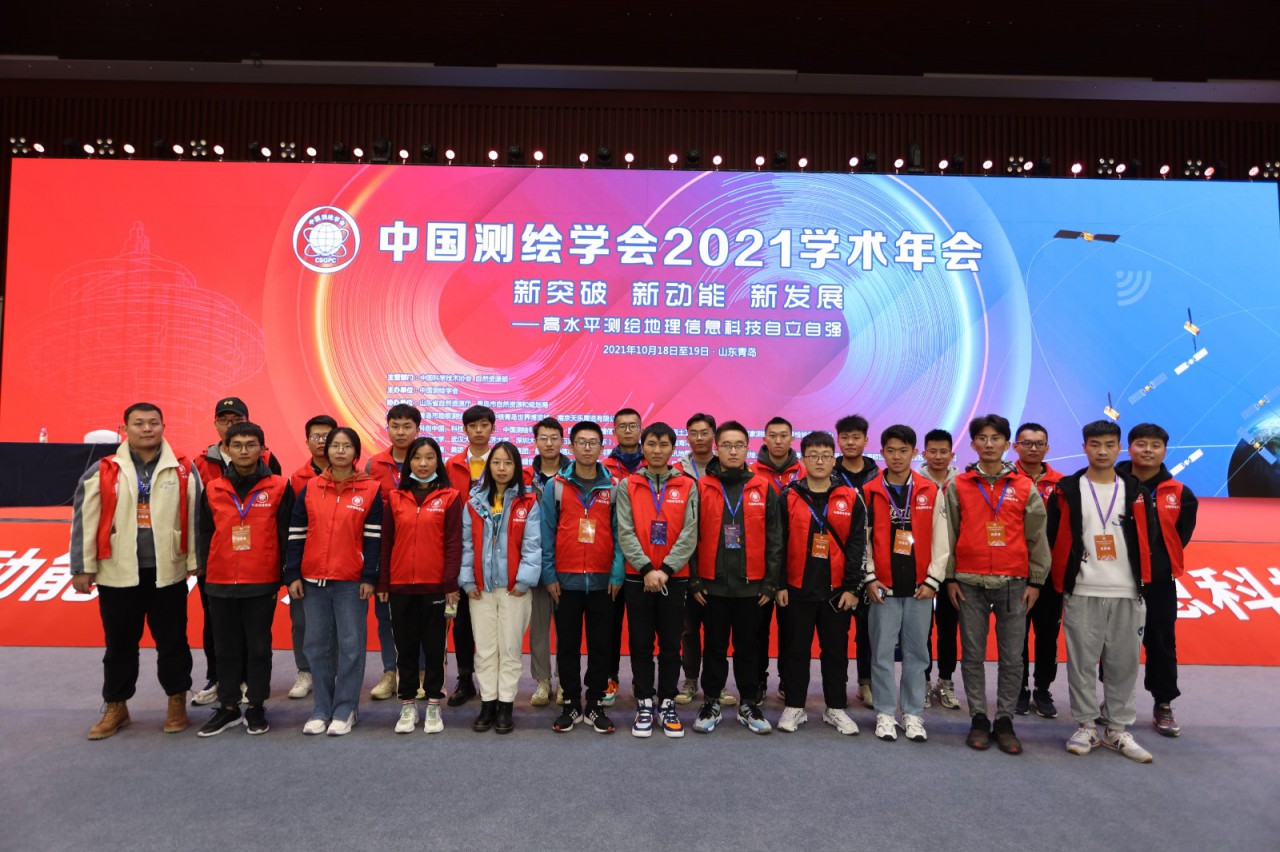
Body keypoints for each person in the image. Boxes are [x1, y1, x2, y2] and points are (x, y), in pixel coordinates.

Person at [70, 402, 200, 739]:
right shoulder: (103, 469)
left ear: (163, 427)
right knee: (119, 644)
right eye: (139, 423)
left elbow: (195, 517)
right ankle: (116, 705)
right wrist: (82, 567)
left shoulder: (183, 468)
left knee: (173, 641)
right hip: (117, 573)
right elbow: (85, 519)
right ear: (125, 428)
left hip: (166, 573)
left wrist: (195, 561)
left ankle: (176, 700)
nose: (146, 429)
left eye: (153, 423)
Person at [930, 414, 1050, 755]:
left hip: (1014, 583)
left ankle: (1005, 720)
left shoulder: (1024, 487)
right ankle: (979, 718)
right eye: (982, 438)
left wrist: (1036, 580)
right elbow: (949, 534)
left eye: (996, 438)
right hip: (968, 583)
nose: (988, 444)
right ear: (972, 444)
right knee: (972, 655)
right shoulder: (959, 485)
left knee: (1012, 657)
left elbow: (1037, 536)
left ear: (1007, 444)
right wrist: (949, 577)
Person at [1047, 419, 1155, 763]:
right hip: (1082, 589)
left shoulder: (1137, 492)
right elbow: (1052, 536)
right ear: (1084, 447)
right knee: (1081, 663)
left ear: (1119, 448)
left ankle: (1118, 729)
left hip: (1127, 590)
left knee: (1123, 664)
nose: (1102, 451)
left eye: (1109, 444)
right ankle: (1086, 726)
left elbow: (1150, 539)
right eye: (1095, 444)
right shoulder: (1066, 490)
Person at [283, 427, 382, 736]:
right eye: (335, 445)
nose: (340, 451)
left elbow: (374, 539)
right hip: (313, 580)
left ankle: (345, 709)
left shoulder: (371, 489)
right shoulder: (311, 488)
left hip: (351, 581)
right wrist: (292, 573)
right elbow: (296, 533)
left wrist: (369, 576)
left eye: (347, 446)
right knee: (316, 646)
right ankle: (321, 709)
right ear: (326, 451)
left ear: (356, 453)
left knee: (351, 646)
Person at [195, 422, 292, 736]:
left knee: (259, 648)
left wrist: (285, 573)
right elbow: (204, 533)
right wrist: (204, 568)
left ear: (262, 449)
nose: (244, 451)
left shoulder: (279, 486)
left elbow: (286, 534)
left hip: (261, 579)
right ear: (226, 449)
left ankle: (256, 706)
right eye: (237, 445)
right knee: (225, 648)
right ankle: (228, 707)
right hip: (220, 580)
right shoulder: (213, 488)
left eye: (251, 445)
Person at [688, 420, 781, 735]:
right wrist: (695, 579)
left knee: (748, 648)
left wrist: (770, 582)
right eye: (726, 445)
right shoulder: (702, 486)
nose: (732, 451)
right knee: (713, 647)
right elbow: (690, 536)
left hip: (752, 587)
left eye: (738, 445)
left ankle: (748, 703)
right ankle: (711, 701)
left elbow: (775, 538)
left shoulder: (763, 487)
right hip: (711, 586)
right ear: (716, 448)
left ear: (747, 449)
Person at [774, 430, 866, 736]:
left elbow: (857, 545)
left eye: (826, 456)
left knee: (835, 652)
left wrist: (852, 588)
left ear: (833, 459)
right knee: (796, 650)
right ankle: (795, 706)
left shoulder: (849, 497)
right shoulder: (789, 496)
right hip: (797, 589)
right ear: (803, 459)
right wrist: (779, 584)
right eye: (813, 456)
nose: (819, 461)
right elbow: (777, 543)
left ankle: (835, 707)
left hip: (837, 592)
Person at [615, 421, 698, 738]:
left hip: (674, 578)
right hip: (638, 577)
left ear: (673, 448)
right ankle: (645, 702)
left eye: (664, 444)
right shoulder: (629, 485)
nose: (657, 450)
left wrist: (666, 570)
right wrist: (647, 569)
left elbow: (690, 532)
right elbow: (625, 530)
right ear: (643, 447)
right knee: (640, 643)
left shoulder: (687, 485)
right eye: (651, 444)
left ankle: (667, 702)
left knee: (670, 644)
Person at [862, 425, 943, 743]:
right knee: (881, 653)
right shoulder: (869, 492)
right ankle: (884, 713)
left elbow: (942, 540)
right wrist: (869, 577)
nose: (897, 456)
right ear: (882, 452)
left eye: (903, 451)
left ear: (914, 453)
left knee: (917, 655)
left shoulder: (930, 491)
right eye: (891, 450)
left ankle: (912, 713)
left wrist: (933, 580)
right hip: (883, 588)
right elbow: (863, 541)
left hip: (920, 588)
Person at [541, 420, 623, 734]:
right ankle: (571, 704)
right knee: (568, 646)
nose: (587, 448)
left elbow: (620, 533)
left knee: (601, 645)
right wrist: (549, 573)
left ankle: (595, 704)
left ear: (602, 447)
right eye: (581, 442)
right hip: (566, 581)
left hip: (603, 581)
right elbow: (546, 533)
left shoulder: (614, 486)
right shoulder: (556, 486)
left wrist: (616, 572)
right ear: (572, 446)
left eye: (593, 442)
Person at [1117, 422, 1198, 737]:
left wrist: (1158, 564)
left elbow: (1180, 537)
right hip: (1116, 579)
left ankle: (1163, 703)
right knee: (1116, 643)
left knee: (1162, 642)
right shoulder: (1112, 485)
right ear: (1129, 448)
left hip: (1160, 582)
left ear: (1164, 451)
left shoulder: (1180, 493)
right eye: (1141, 444)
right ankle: (1114, 701)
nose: (1148, 450)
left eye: (1155, 445)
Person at [378, 436, 462, 735]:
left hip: (436, 587)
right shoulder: (396, 498)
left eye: (429, 457)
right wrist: (384, 581)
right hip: (400, 586)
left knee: (435, 648)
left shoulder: (450, 497)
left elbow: (453, 544)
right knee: (406, 649)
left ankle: (434, 704)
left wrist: (450, 583)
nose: (423, 464)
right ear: (409, 462)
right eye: (417, 458)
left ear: (438, 461)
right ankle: (408, 704)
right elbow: (386, 543)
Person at [459, 441, 542, 734]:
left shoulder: (528, 502)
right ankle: (488, 703)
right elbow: (466, 545)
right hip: (480, 590)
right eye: (496, 462)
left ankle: (505, 705)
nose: (502, 468)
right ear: (488, 466)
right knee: (485, 650)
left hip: (514, 589)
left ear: (516, 467)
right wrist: (467, 581)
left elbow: (533, 546)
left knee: (509, 649)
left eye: (508, 463)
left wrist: (524, 580)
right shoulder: (473, 503)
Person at [674, 413, 737, 708]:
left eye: (705, 432)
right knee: (688, 629)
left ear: (714, 436)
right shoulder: (677, 472)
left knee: (717, 630)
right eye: (693, 433)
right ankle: (689, 680)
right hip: (685, 558)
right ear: (687, 436)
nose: (699, 438)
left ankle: (717, 683)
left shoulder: (726, 469)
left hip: (718, 559)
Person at [364, 404, 423, 702]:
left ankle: (421, 673)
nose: (401, 432)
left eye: (407, 426)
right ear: (387, 428)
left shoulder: (427, 462)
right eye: (395, 426)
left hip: (421, 551)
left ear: (417, 430)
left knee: (421, 615)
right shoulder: (373, 465)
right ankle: (390, 671)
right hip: (384, 551)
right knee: (385, 614)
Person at [442, 404, 496, 707]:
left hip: (495, 555)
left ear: (492, 428)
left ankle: (494, 680)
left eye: (484, 425)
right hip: (461, 552)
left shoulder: (502, 461)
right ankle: (465, 680)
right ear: (464, 430)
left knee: (493, 622)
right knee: (461, 622)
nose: (478, 430)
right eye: (473, 425)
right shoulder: (451, 466)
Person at [1011, 422, 1066, 718]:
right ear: (1015, 446)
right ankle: (1018, 689)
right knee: (1015, 635)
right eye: (1027, 443)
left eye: (1039, 443)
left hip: (1051, 574)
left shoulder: (1063, 484)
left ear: (1047, 447)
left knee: (1047, 636)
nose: (1033, 448)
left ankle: (1042, 689)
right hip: (1015, 571)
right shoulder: (1005, 480)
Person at [750, 416, 805, 705]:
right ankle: (758, 680)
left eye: (784, 435)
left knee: (791, 630)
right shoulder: (751, 473)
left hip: (796, 565)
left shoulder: (805, 472)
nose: (779, 440)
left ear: (792, 439)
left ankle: (786, 680)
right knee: (757, 630)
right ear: (765, 439)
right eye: (773, 435)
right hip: (760, 564)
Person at [284, 414, 337, 700]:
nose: (322, 442)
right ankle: (305, 671)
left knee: (339, 622)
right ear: (307, 442)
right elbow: (291, 527)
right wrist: (291, 568)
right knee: (302, 620)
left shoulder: (353, 477)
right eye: (316, 437)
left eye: (328, 437)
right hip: (307, 562)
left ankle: (335, 672)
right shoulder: (297, 479)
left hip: (341, 561)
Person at [835, 413, 879, 708]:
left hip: (872, 561)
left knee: (869, 630)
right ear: (838, 440)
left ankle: (866, 683)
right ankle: (836, 686)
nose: (850, 442)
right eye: (845, 437)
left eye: (856, 437)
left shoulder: (878, 475)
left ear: (866, 440)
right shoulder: (829, 472)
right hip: (837, 561)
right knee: (837, 631)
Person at [600, 407, 644, 706]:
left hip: (645, 562)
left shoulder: (654, 465)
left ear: (641, 429)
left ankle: (642, 681)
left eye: (633, 426)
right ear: (614, 431)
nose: (628, 431)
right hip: (612, 560)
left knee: (642, 629)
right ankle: (610, 678)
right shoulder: (604, 469)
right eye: (622, 426)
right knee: (609, 627)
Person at [527, 416, 569, 707]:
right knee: (539, 627)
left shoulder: (574, 475)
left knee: (566, 626)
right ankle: (542, 681)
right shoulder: (524, 477)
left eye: (554, 438)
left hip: (566, 561)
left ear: (562, 441)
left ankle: (565, 680)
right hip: (533, 561)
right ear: (536, 441)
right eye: (544, 438)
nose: (549, 443)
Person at [919, 428, 961, 710]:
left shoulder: (962, 484)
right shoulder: (914, 483)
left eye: (943, 451)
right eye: (932, 451)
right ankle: (922, 682)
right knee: (921, 629)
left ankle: (945, 681)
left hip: (953, 568)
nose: (937, 456)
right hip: (922, 567)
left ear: (952, 454)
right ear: (923, 454)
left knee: (948, 627)